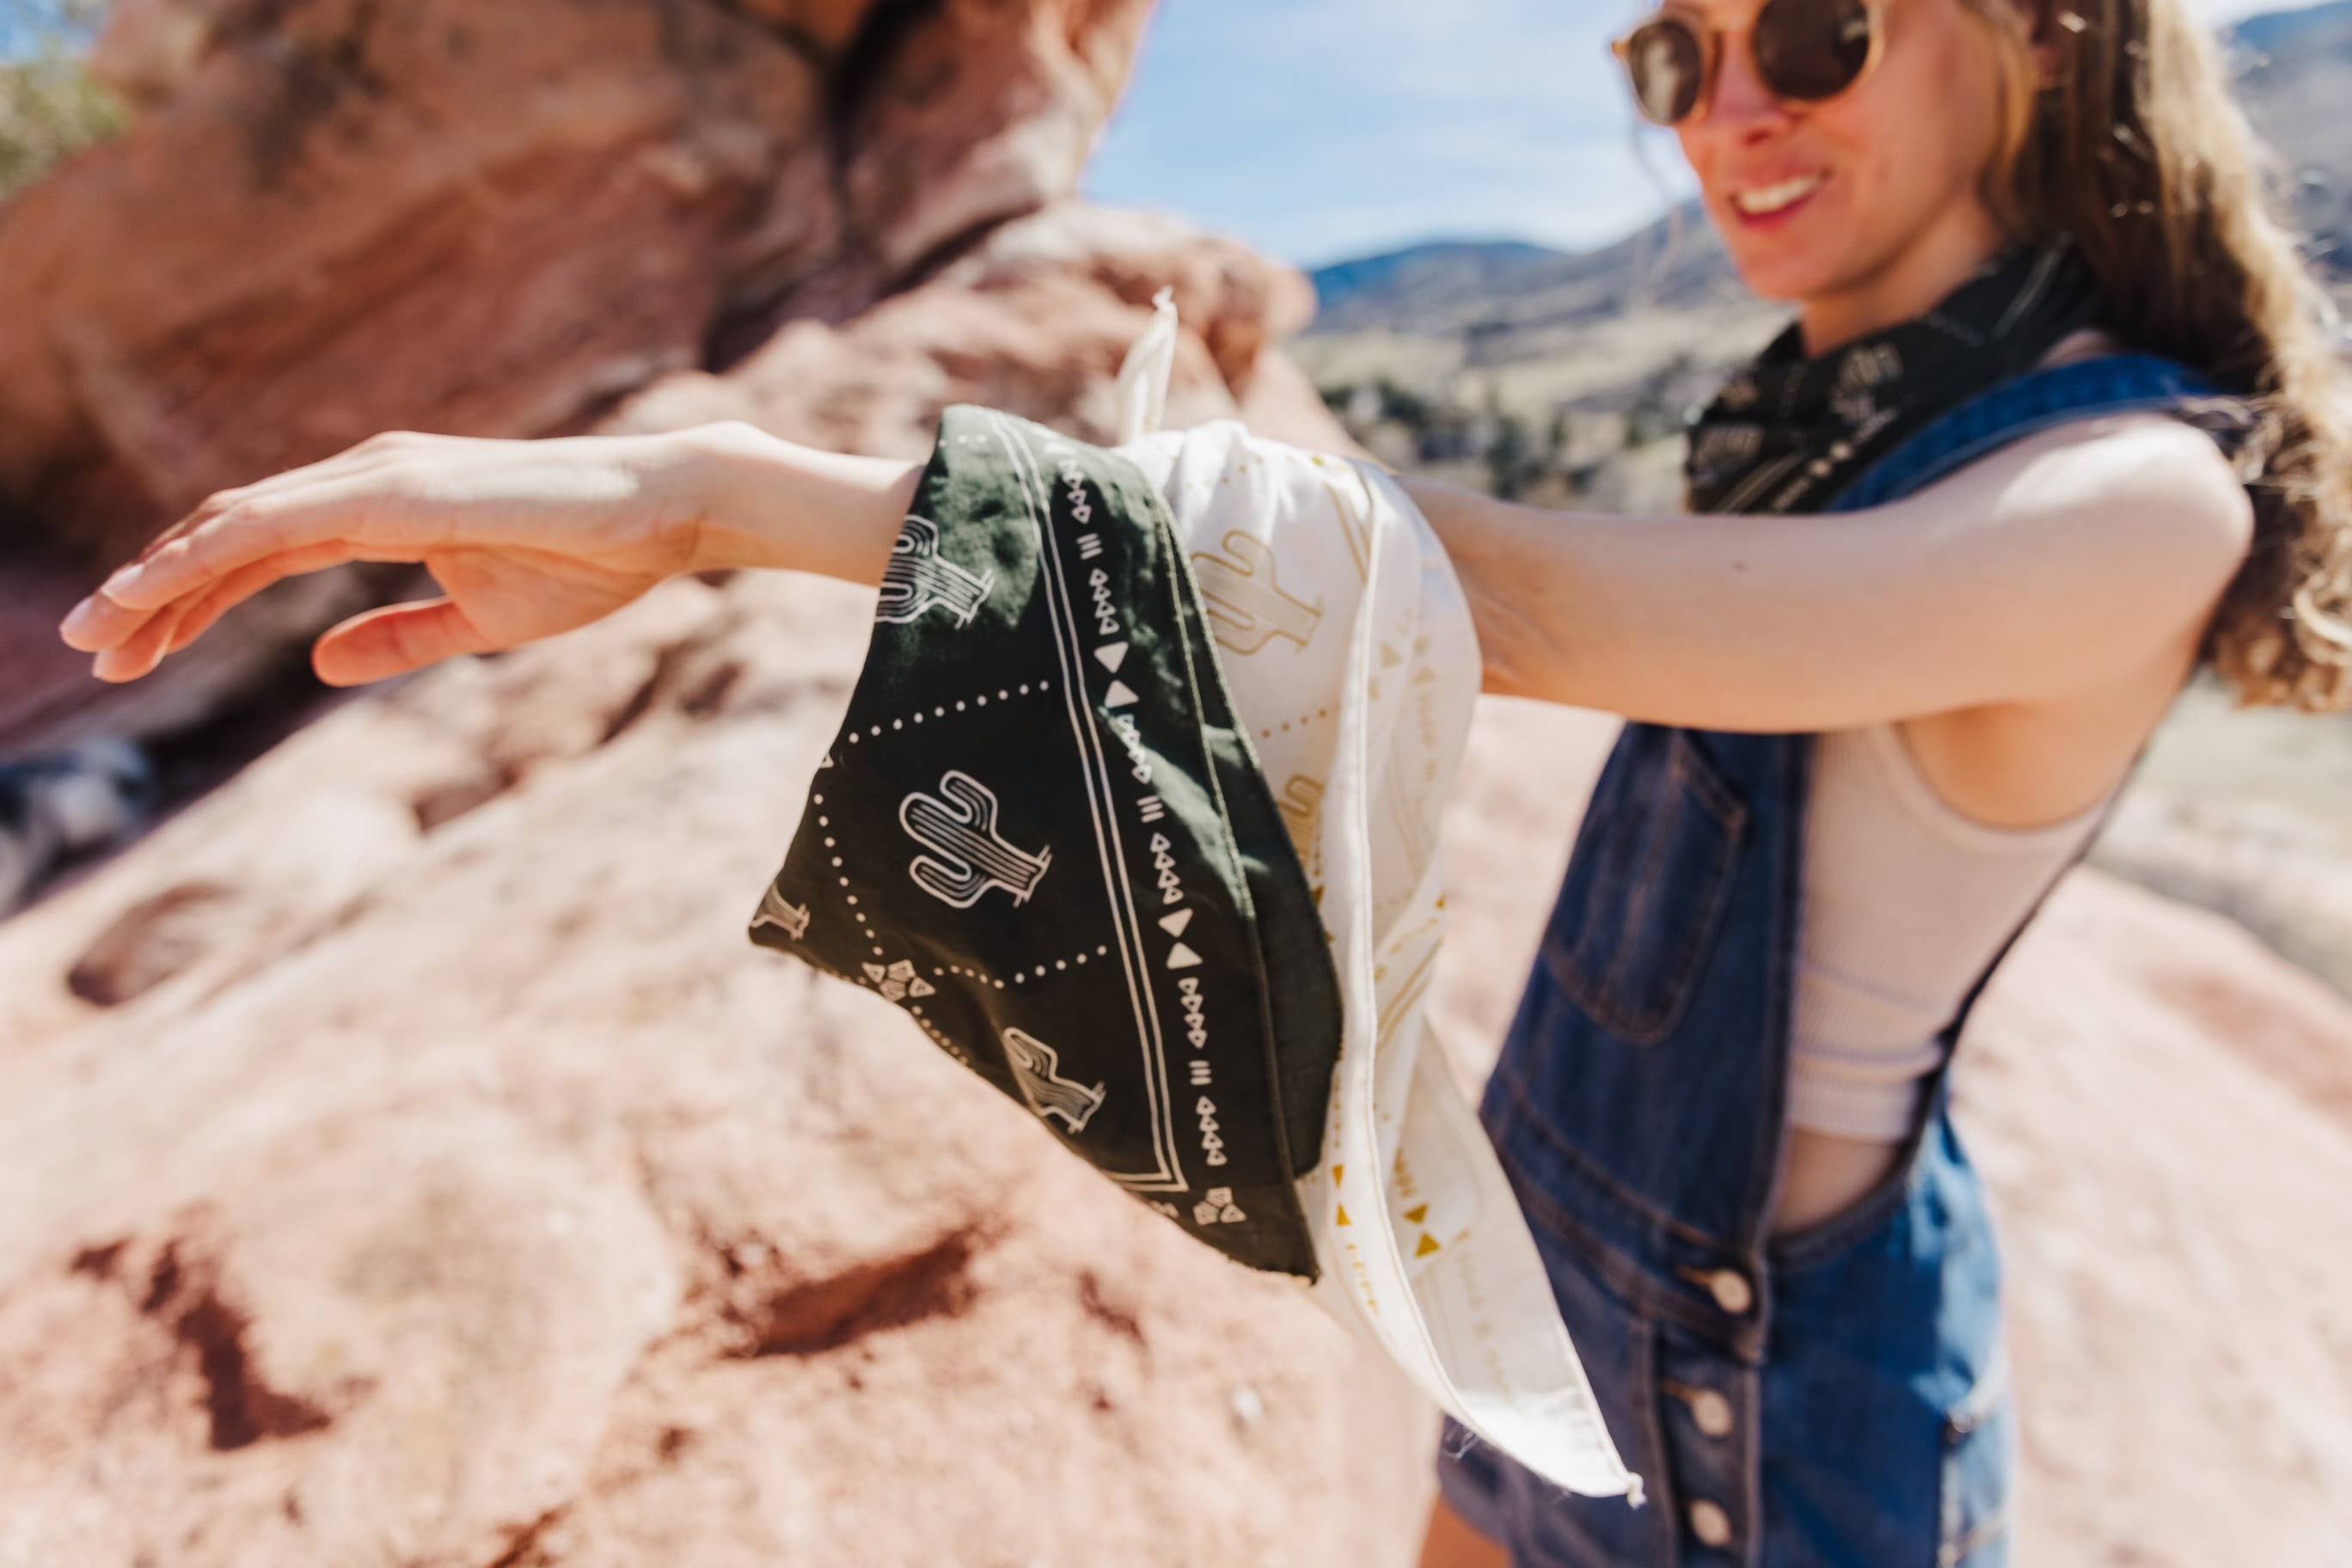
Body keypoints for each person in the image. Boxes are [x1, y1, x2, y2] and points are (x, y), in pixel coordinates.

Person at [48, 0, 2349, 1561]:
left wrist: (720, 495)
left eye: (1817, 34)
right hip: (1557, 1282)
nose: (1730, 111)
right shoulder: (1839, 430)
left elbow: (1488, 609)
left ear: (2043, 31)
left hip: (1777, 1400)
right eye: (1679, 53)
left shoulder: (2132, 500)